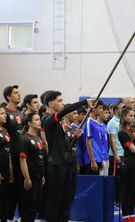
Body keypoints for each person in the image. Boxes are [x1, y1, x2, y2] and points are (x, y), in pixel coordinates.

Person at [43, 91, 93, 222]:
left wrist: (74, 137)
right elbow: (64, 112)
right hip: (57, 165)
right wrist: (84, 102)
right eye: (59, 101)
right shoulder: (48, 120)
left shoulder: (60, 124)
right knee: (56, 198)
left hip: (68, 163)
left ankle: (64, 219)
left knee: (68, 197)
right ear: (50, 103)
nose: (62, 103)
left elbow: (64, 144)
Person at [3, 85, 25, 220]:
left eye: (19, 92)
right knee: (9, 191)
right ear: (8, 97)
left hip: (20, 155)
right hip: (9, 156)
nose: (19, 95)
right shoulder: (4, 112)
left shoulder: (19, 113)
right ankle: (6, 217)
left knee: (19, 190)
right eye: (16, 93)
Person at [19, 112, 46, 222]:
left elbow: (40, 158)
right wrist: (27, 178)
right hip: (30, 176)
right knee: (28, 206)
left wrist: (42, 175)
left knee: (35, 204)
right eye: (36, 120)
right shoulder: (24, 139)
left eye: (39, 119)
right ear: (29, 123)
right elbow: (22, 160)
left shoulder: (38, 138)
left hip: (39, 176)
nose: (39, 122)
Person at [107, 102, 124, 204]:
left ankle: (121, 199)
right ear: (116, 110)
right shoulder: (112, 122)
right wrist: (116, 154)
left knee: (123, 179)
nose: (124, 110)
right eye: (122, 108)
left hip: (124, 154)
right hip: (116, 155)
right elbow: (112, 140)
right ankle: (115, 200)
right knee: (116, 179)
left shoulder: (123, 121)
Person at [82, 101, 105, 175]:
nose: (102, 110)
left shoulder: (97, 123)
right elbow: (88, 142)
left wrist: (101, 159)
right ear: (94, 109)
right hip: (91, 160)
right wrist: (92, 160)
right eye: (100, 108)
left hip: (98, 159)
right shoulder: (89, 122)